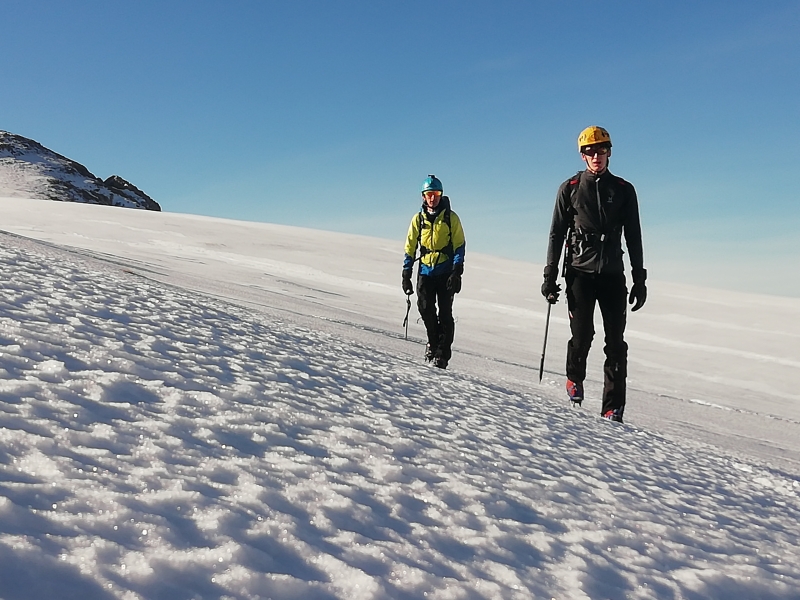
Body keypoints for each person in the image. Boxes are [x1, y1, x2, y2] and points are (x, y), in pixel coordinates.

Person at [541, 126, 647, 422]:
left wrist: (640, 278)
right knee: (582, 334)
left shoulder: (624, 190)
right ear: (582, 154)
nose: (595, 156)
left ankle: (613, 407)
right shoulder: (571, 187)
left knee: (616, 342)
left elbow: (634, 236)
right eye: (589, 151)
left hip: (613, 274)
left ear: (609, 152)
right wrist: (550, 276)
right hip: (579, 274)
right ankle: (575, 377)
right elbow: (555, 233)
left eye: (600, 150)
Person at [402, 175, 466, 369]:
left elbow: (459, 245)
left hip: (446, 271)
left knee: (445, 314)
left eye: (436, 194)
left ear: (441, 195)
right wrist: (406, 273)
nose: (433, 198)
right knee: (425, 309)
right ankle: (433, 342)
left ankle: (442, 354)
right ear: (423, 196)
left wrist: (456, 272)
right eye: (429, 194)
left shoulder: (450, 217)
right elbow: (410, 246)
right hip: (425, 271)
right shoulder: (418, 219)